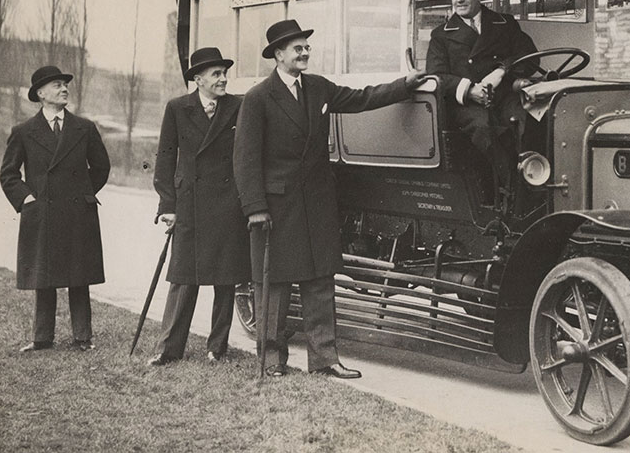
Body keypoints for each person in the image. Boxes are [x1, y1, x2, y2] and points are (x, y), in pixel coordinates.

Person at [233, 19, 425, 378]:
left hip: (316, 202)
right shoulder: (258, 98)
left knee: (320, 281)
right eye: (297, 48)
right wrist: (255, 207)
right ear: (278, 55)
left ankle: (324, 358)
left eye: (306, 46)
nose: (305, 52)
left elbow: (362, 98)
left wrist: (404, 86)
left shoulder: (319, 88)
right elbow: (244, 158)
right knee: (274, 284)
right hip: (276, 207)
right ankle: (273, 359)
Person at [147, 47, 250, 366]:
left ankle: (217, 347)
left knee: (225, 277)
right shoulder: (178, 108)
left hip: (227, 203)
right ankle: (168, 348)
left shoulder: (239, 106)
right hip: (189, 203)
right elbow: (165, 158)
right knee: (183, 277)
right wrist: (167, 204)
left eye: (224, 73)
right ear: (198, 79)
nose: (223, 79)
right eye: (216, 74)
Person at [0, 65, 111, 352]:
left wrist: (83, 193)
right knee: (44, 276)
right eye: (57, 85)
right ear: (41, 94)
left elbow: (101, 167)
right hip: (42, 211)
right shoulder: (23, 131)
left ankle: (83, 338)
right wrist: (27, 200)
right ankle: (41, 338)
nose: (64, 89)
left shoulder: (84, 127)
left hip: (77, 212)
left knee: (79, 275)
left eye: (65, 85)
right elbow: (9, 174)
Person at [425, 0, 538, 191]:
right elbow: (437, 76)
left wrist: (502, 70)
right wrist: (469, 90)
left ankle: (535, 177)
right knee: (483, 128)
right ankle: (513, 190)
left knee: (527, 118)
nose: (459, 0)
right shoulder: (441, 34)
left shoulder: (504, 23)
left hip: (504, 96)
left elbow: (530, 58)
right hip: (465, 104)